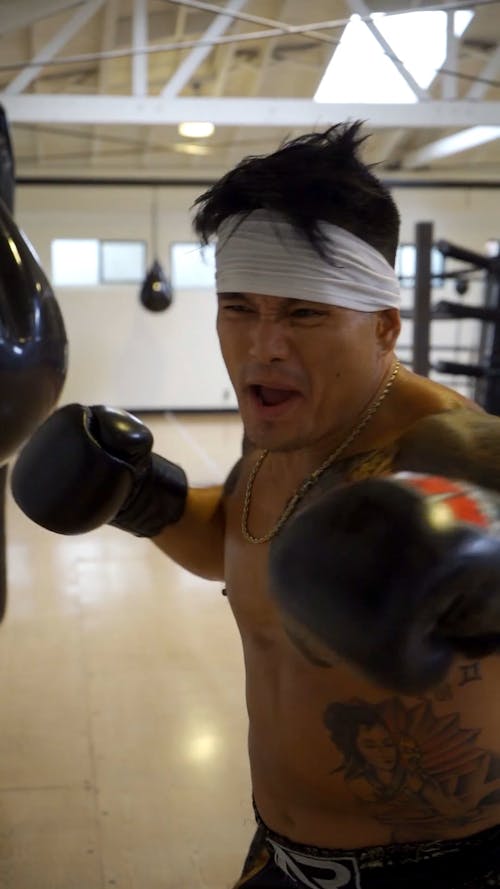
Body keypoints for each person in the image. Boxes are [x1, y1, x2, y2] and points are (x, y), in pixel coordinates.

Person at [10, 123, 500, 888]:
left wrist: (475, 561)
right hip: (280, 850)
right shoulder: (288, 426)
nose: (261, 346)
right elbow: (243, 537)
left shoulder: (453, 452)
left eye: (304, 313)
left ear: (384, 324)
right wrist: (143, 499)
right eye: (239, 306)